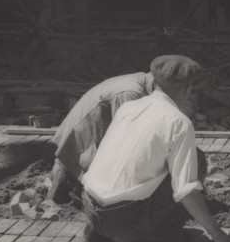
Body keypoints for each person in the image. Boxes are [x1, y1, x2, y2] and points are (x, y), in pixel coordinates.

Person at [79, 55, 230, 242]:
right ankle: (156, 239)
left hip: (90, 209)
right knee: (197, 159)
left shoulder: (129, 107)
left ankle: (102, 232)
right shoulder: (178, 122)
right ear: (187, 89)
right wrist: (221, 237)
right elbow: (187, 192)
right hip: (128, 222)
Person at [48, 67, 158, 204]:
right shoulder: (130, 93)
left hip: (93, 130)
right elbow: (128, 138)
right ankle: (54, 201)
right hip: (82, 133)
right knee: (70, 172)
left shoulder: (143, 82)